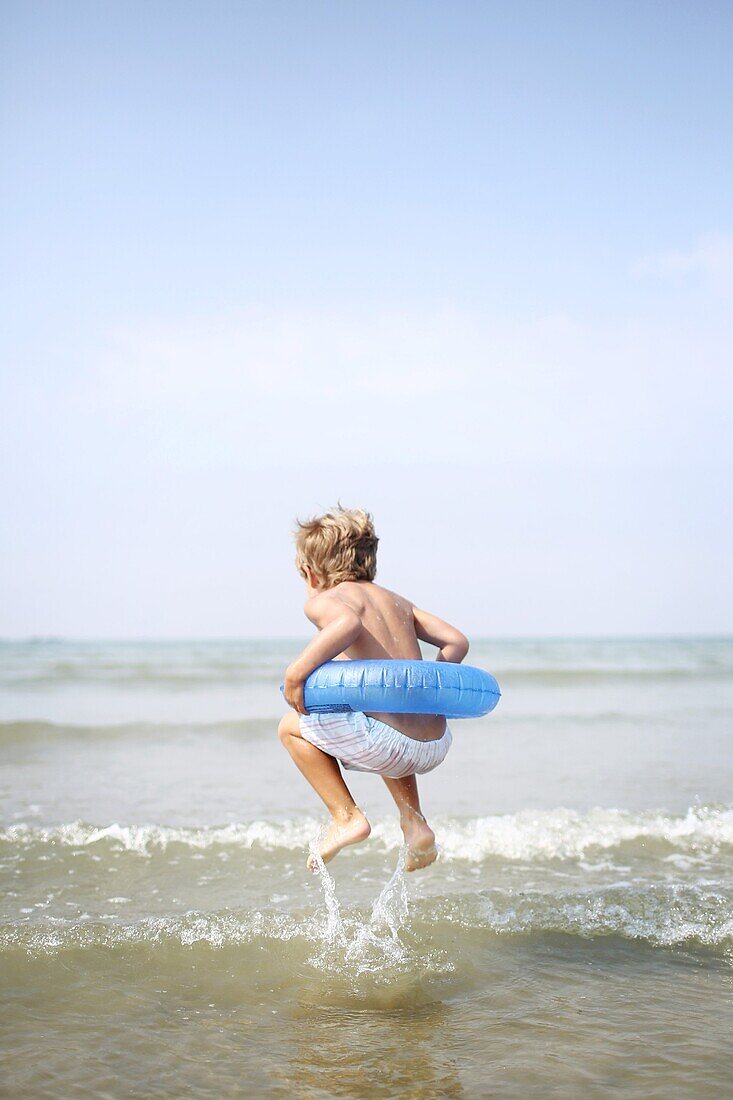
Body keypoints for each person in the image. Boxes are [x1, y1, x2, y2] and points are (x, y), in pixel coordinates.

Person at [278, 505, 469, 872]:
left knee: (289, 727)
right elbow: (456, 641)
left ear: (311, 572)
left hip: (388, 744)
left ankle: (346, 816)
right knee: (383, 710)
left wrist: (296, 674)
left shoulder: (326, 601)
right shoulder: (399, 601)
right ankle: (414, 822)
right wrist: (428, 689)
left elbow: (347, 623)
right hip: (435, 742)